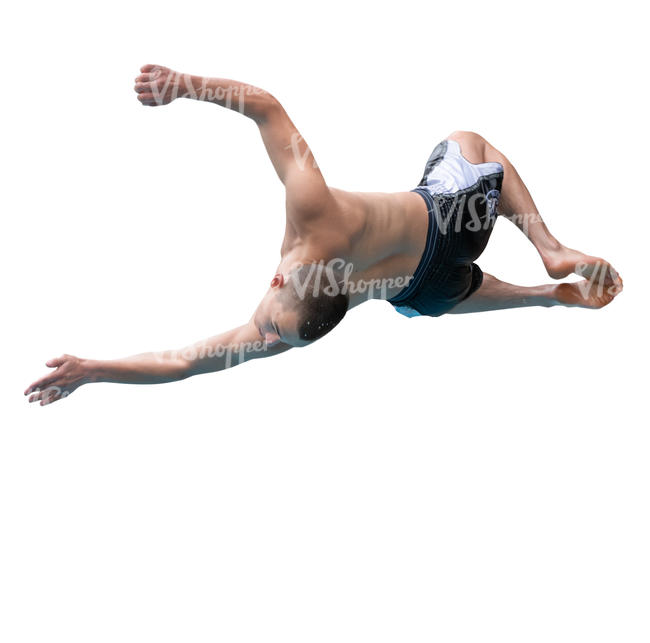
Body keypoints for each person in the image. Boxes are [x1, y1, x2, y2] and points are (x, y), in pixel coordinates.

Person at [24, 64, 623, 406]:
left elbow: (184, 363)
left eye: (267, 326)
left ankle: (546, 290)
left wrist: (95, 369)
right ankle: (549, 254)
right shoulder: (310, 240)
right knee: (470, 145)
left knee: (446, 284)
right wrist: (184, 85)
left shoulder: (306, 253)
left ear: (281, 282)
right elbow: (263, 107)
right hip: (450, 225)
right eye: (272, 329)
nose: (259, 333)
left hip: (426, 288)